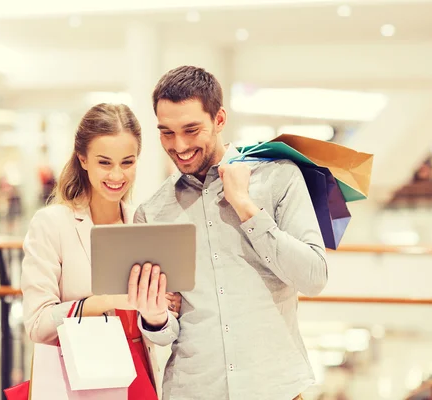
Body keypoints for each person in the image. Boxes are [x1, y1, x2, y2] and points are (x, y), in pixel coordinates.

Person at [133, 66, 329, 400]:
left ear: (219, 119)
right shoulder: (153, 212)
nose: (179, 145)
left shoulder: (279, 177)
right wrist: (153, 318)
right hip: (193, 390)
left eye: (191, 129)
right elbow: (163, 335)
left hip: (273, 388)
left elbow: (314, 277)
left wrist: (246, 208)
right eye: (166, 132)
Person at [20, 103, 181, 399]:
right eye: (104, 162)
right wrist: (106, 300)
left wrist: (156, 311)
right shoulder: (53, 224)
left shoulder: (142, 222)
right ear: (83, 159)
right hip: (81, 381)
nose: (117, 175)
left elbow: (162, 329)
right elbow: (37, 324)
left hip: (140, 377)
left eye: (128, 162)